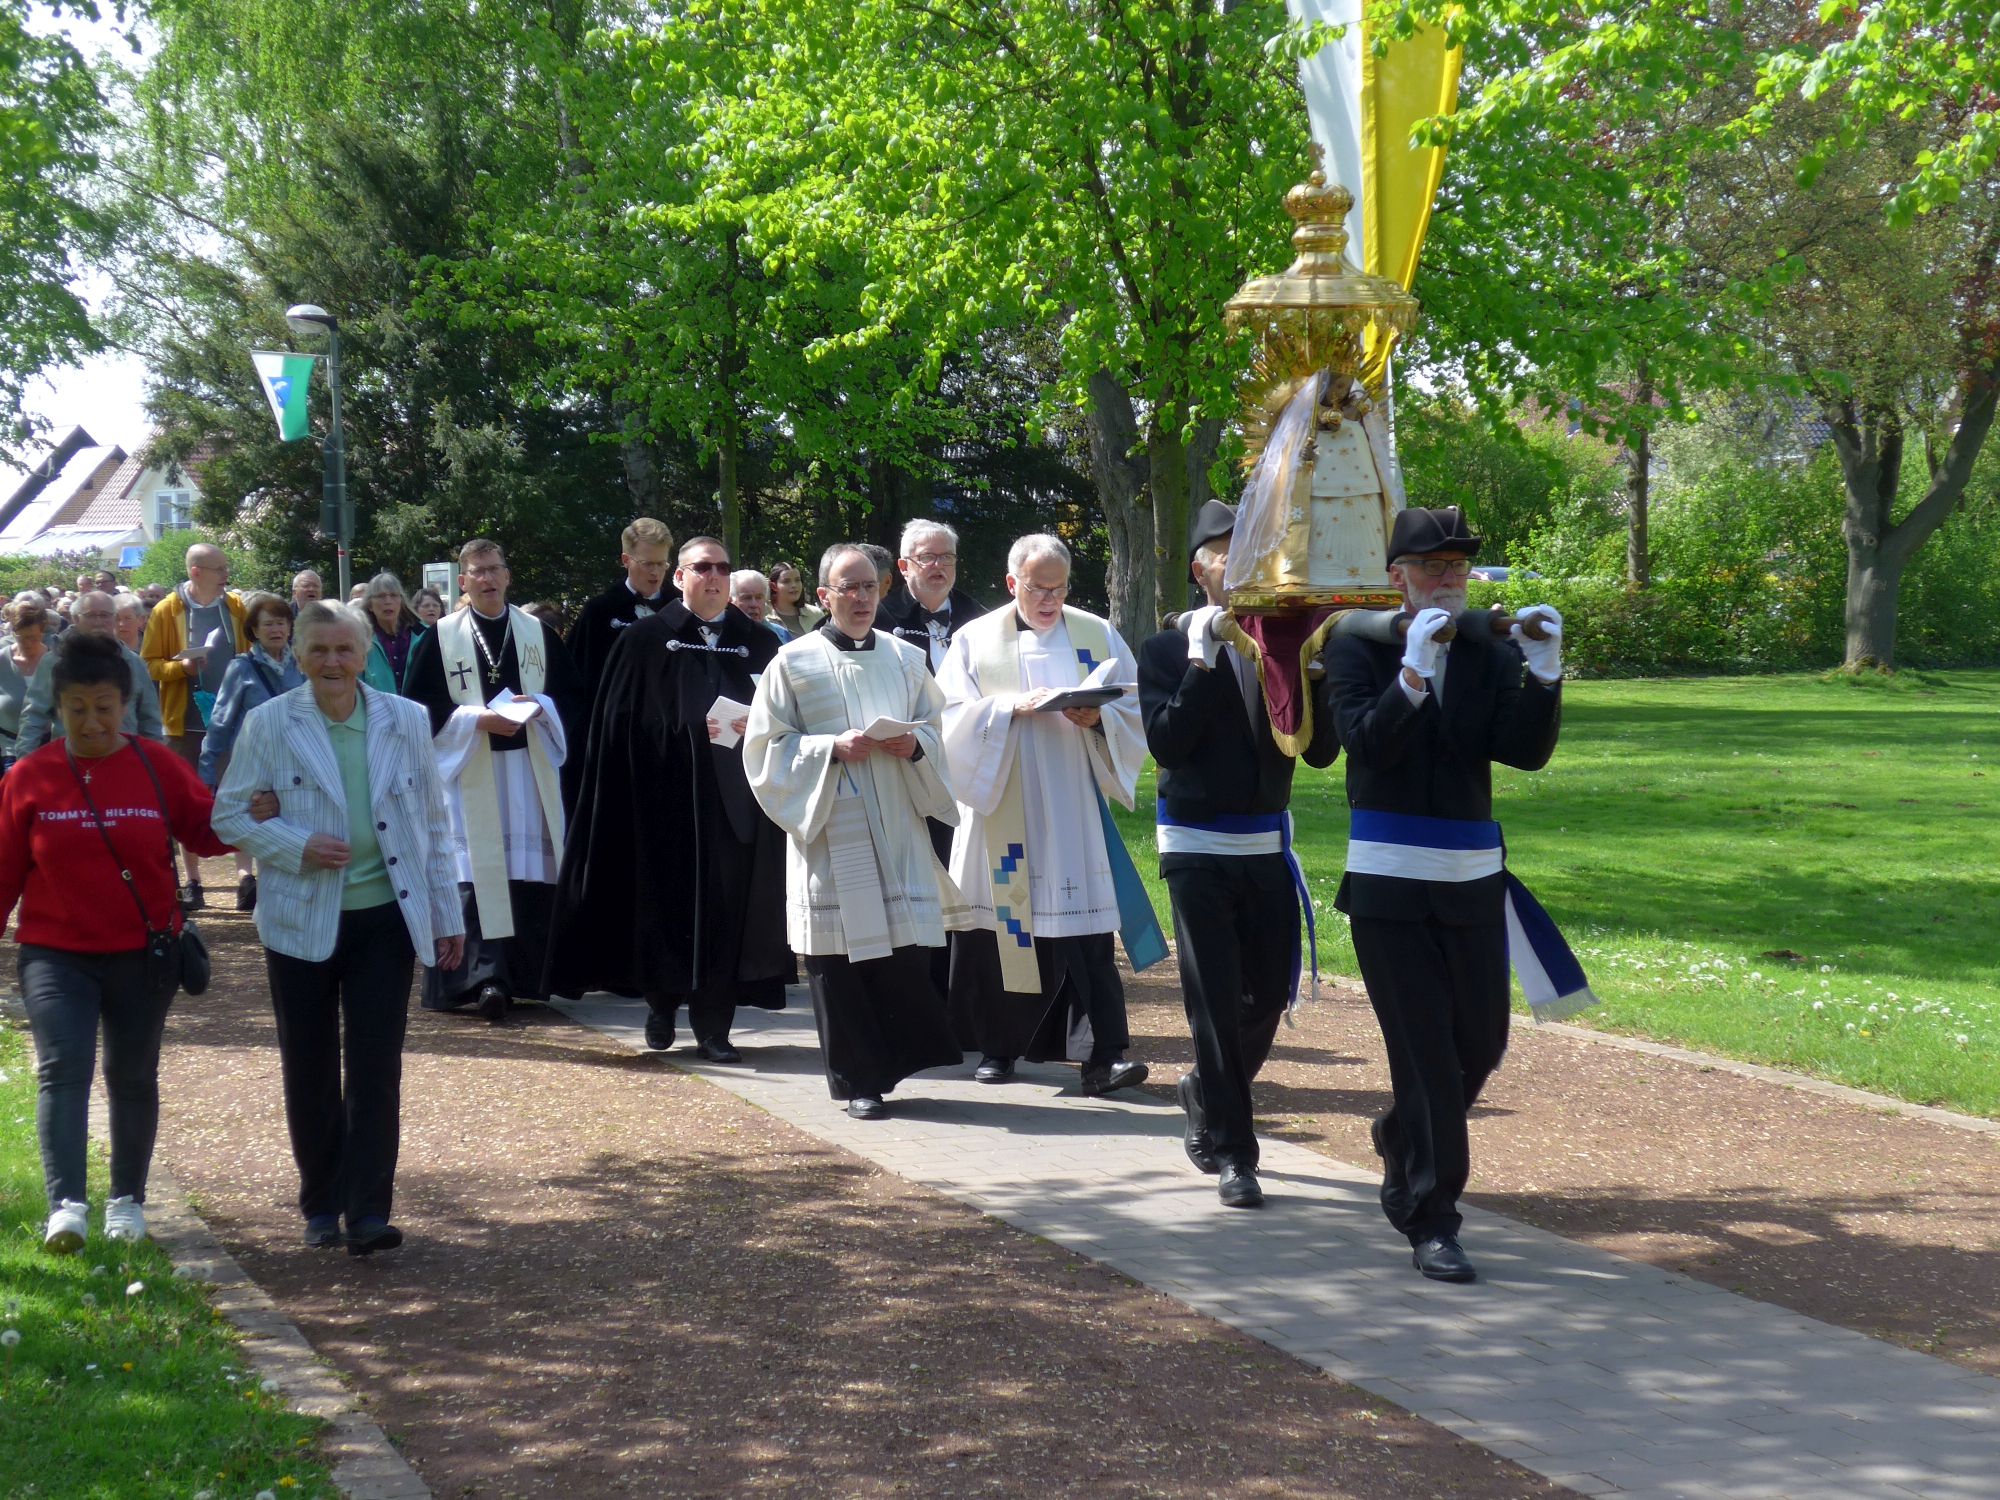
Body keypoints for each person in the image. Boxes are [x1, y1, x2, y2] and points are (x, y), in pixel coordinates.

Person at [1321, 505, 1565, 1283]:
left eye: (1457, 567)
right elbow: (1365, 745)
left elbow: (1521, 751)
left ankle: (1401, 1136)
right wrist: (1413, 677)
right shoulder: (1357, 645)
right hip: (1390, 884)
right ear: (1398, 577)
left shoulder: (1488, 652)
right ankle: (1432, 1218)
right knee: (1425, 1054)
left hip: (1469, 880)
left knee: (1481, 1045)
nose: (1448, 579)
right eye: (1432, 567)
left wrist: (1545, 675)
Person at [214, 603, 465, 1255]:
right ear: (298, 655)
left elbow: (434, 824)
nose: (332, 662)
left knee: (377, 1067)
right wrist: (296, 845)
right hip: (300, 920)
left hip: (386, 918)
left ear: (364, 655)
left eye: (344, 649)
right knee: (311, 1065)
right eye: (319, 650)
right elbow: (229, 816)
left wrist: (447, 914)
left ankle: (369, 1212)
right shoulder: (270, 722)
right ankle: (321, 1202)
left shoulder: (405, 719)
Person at [0, 631, 232, 1252]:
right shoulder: (30, 778)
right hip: (55, 954)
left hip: (142, 952)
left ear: (126, 705)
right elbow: (3, 871)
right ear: (57, 706)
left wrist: (256, 810)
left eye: (104, 707)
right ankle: (66, 1208)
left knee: (131, 1073)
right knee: (62, 1068)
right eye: (76, 708)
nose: (92, 721)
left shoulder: (157, 766)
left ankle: (127, 1201)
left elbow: (209, 833)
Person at [1139, 501, 1340, 1210]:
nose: (1247, 561)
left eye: (1255, 548)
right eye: (1230, 551)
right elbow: (1167, 745)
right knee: (1216, 1003)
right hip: (1195, 847)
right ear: (1202, 570)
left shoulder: (1285, 648)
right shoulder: (1165, 649)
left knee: (1267, 994)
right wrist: (1201, 661)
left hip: (1265, 845)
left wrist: (1317, 680)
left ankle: (1206, 1088)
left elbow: (1320, 754)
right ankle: (1235, 1152)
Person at [744, 543, 966, 1118]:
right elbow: (764, 749)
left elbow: (939, 728)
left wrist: (915, 744)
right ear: (824, 596)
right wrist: (828, 748)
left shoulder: (905, 659)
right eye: (849, 588)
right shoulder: (792, 663)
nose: (863, 598)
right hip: (830, 828)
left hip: (895, 822)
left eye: (870, 586)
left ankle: (890, 1066)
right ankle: (857, 1082)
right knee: (839, 960)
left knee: (897, 953)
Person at [548, 535, 791, 1058]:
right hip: (665, 802)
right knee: (665, 910)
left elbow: (787, 717)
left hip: (736, 805)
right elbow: (617, 725)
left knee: (727, 914)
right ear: (680, 577)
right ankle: (661, 1006)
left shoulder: (758, 641)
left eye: (722, 567)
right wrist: (687, 731)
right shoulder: (645, 640)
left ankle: (714, 1028)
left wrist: (756, 726)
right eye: (702, 568)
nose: (714, 577)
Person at [939, 533, 1158, 1096]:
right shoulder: (974, 640)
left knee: (1084, 929)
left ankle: (1102, 1057)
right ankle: (998, 1048)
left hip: (1070, 805)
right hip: (1001, 802)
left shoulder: (1095, 633)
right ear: (1012, 583)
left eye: (1059, 589)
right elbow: (948, 719)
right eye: (1038, 588)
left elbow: (1132, 704)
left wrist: (1098, 720)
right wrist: (1006, 709)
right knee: (1004, 927)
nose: (1049, 601)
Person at [402, 539, 584, 1024]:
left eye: (494, 570)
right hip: (467, 773)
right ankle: (479, 979)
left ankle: (526, 977)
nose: (487, 579)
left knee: (524, 870)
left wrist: (540, 707)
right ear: (463, 581)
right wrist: (474, 720)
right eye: (477, 572)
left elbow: (573, 697)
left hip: (527, 772)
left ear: (507, 576)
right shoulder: (440, 637)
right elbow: (416, 706)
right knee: (473, 873)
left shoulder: (537, 634)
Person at [140, 543, 247, 909]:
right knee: (185, 803)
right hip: (184, 725)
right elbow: (149, 664)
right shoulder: (166, 610)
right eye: (220, 569)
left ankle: (245, 878)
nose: (226, 575)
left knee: (239, 796)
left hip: (232, 722)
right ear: (196, 572)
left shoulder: (236, 607)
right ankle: (193, 881)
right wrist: (181, 668)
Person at [198, 592, 305, 912]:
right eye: (268, 624)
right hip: (254, 761)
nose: (276, 630)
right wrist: (207, 767)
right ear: (254, 631)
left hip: (297, 760)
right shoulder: (241, 667)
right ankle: (250, 882)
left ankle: (286, 892)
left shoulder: (302, 664)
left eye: (281, 623)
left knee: (291, 823)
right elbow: (221, 721)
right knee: (255, 821)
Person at [19, 591, 166, 757]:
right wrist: (25, 760)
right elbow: (34, 715)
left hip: (124, 759)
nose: (99, 622)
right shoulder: (54, 661)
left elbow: (150, 720)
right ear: (75, 619)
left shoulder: (133, 662)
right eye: (90, 616)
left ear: (114, 619)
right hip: (70, 760)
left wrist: (154, 761)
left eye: (105, 615)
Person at [879, 520, 985, 676]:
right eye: (927, 557)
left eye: (947, 557)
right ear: (904, 567)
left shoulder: (979, 618)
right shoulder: (881, 618)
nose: (939, 565)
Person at [0, 600, 54, 769]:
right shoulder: (2, 660)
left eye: (33, 638)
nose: (28, 644)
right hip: (9, 748)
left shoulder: (56, 661)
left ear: (43, 632)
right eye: (21, 637)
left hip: (50, 747)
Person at [359, 573, 416, 694]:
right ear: (370, 605)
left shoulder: (421, 636)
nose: (388, 601)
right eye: (381, 596)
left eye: (394, 595)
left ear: (401, 601)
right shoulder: (360, 640)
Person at [767, 559, 825, 638]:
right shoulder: (764, 616)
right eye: (786, 581)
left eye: (797, 580)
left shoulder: (815, 614)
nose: (794, 585)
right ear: (773, 586)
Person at [730, 570, 790, 642]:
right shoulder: (721, 637)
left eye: (759, 597)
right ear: (730, 601)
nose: (754, 604)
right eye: (747, 598)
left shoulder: (782, 634)